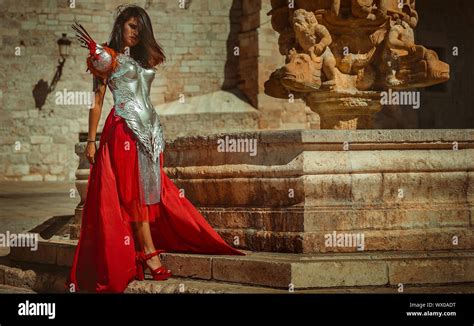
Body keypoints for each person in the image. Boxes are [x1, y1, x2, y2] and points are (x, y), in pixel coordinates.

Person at [67, 5, 244, 294]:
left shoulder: (142, 58)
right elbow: (97, 101)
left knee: (149, 190)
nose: (136, 32)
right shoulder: (105, 58)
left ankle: (145, 247)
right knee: (133, 192)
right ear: (121, 25)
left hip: (150, 133)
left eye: (140, 28)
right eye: (131, 26)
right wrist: (91, 140)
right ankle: (149, 253)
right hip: (123, 129)